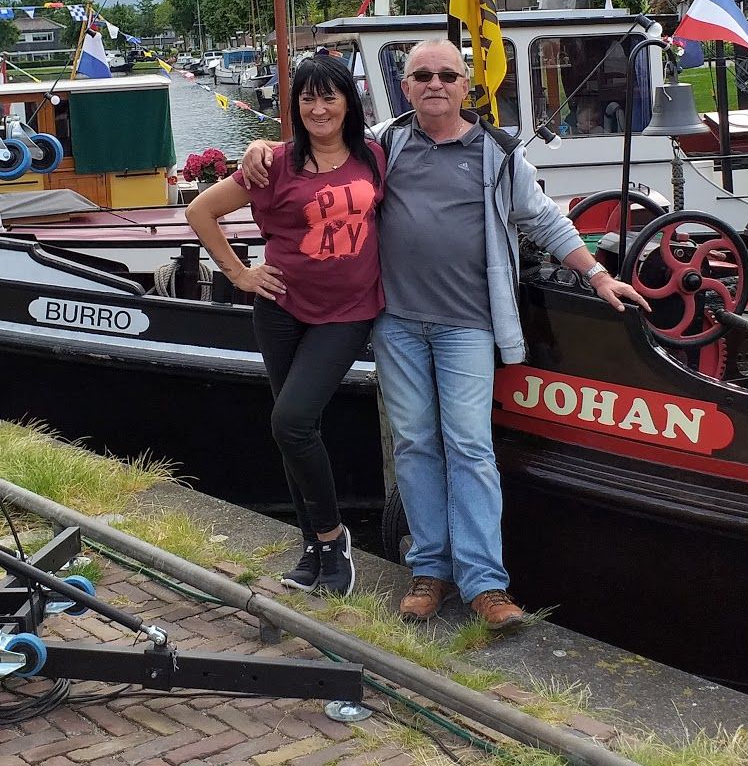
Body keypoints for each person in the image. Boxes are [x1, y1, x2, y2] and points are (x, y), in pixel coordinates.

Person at [243, 40, 647, 629]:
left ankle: (486, 584)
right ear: (405, 87)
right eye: (422, 75)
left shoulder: (498, 155)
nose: (434, 84)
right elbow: (319, 139)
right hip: (398, 322)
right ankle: (428, 570)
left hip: (467, 325)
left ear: (467, 86)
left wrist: (599, 274)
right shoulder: (384, 145)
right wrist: (262, 147)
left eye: (447, 75)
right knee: (414, 445)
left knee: (470, 448)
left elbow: (542, 217)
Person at [187, 56, 385, 597]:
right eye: (307, 98)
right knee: (291, 428)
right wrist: (240, 273)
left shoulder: (375, 156)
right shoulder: (273, 163)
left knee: (292, 421)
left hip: (348, 312)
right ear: (295, 105)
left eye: (330, 97)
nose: (318, 108)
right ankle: (315, 550)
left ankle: (333, 537)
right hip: (280, 307)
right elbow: (201, 212)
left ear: (348, 101)